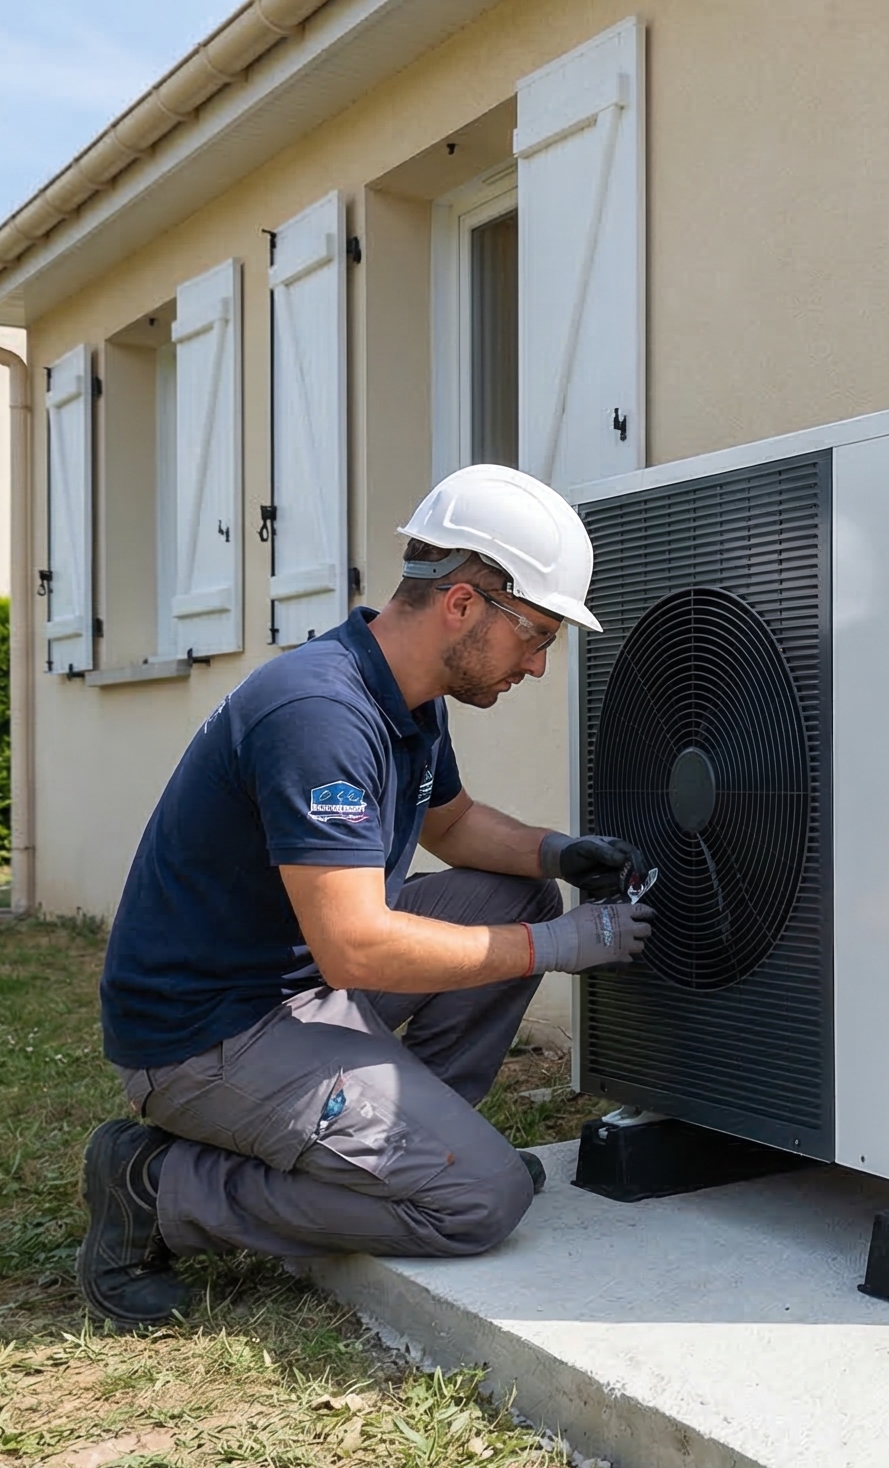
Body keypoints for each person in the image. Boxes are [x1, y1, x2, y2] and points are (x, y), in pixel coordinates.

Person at [80, 463, 654, 1330]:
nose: (537, 665)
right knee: (480, 1205)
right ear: (464, 603)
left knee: (517, 895)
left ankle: (423, 1151)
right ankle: (156, 1186)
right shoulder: (318, 712)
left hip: (296, 995)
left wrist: (560, 853)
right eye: (535, 634)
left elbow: (451, 824)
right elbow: (356, 947)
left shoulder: (407, 697)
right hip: (209, 1037)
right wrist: (565, 946)